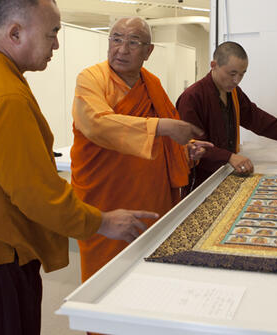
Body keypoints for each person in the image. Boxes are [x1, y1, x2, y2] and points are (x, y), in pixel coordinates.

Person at [0, 0, 158, 335]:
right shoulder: (3, 95)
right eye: (52, 34)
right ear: (15, 32)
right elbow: (36, 193)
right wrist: (101, 222)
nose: (57, 45)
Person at [70, 16, 210, 283]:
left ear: (149, 51)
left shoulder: (152, 84)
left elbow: (166, 137)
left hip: (152, 197)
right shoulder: (91, 79)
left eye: (134, 42)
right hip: (107, 200)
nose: (122, 49)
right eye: (116, 39)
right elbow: (98, 125)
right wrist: (161, 127)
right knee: (106, 280)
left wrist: (186, 150)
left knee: (150, 275)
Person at [177, 41, 277, 192]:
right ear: (213, 65)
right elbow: (192, 146)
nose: (237, 80)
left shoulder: (233, 92)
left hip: (225, 172)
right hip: (201, 180)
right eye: (232, 74)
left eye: (242, 74)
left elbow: (254, 117)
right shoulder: (192, 97)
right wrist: (229, 157)